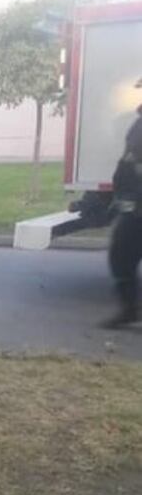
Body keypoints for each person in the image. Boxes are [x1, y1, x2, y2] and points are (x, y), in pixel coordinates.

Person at [104, 105, 142, 328]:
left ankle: (129, 310)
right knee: (121, 256)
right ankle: (128, 310)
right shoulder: (139, 123)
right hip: (134, 207)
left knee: (122, 254)